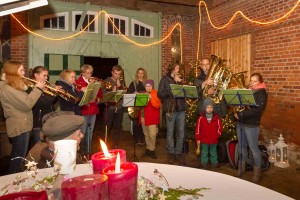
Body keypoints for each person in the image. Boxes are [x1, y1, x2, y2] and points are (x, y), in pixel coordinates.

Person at [0, 61, 45, 173]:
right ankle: (13, 184)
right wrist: (38, 89)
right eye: (21, 70)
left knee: (19, 157)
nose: (24, 72)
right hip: (19, 127)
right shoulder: (7, 88)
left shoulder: (13, 86)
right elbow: (26, 104)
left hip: (23, 125)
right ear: (13, 72)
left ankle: (16, 181)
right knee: (17, 159)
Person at [234, 73, 268, 183]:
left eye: (255, 81)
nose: (252, 83)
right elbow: (241, 106)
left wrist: (241, 115)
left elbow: (257, 110)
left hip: (252, 124)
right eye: (251, 81)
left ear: (260, 82)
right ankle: (241, 168)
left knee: (254, 149)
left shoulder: (262, 93)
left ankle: (257, 174)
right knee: (242, 147)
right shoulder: (246, 91)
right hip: (241, 122)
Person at [158, 62, 186, 164]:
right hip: (170, 109)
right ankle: (171, 153)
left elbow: (187, 92)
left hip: (181, 109)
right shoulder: (165, 79)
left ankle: (178, 153)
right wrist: (172, 86)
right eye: (176, 68)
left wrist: (181, 83)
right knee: (170, 133)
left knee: (181, 133)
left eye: (178, 68)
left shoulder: (181, 79)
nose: (177, 70)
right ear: (171, 69)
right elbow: (160, 93)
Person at [75, 64, 103, 157]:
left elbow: (99, 93)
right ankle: (81, 151)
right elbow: (78, 94)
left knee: (90, 131)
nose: (90, 75)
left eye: (91, 73)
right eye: (87, 73)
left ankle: (88, 151)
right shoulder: (78, 82)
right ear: (82, 73)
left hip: (93, 109)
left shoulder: (93, 81)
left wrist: (98, 97)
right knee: (82, 132)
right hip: (84, 110)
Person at [29, 66, 59, 146]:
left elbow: (52, 103)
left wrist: (55, 93)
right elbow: (42, 103)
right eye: (44, 75)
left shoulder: (45, 86)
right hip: (38, 123)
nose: (46, 78)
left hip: (48, 120)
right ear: (36, 75)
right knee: (38, 147)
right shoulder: (31, 87)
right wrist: (54, 93)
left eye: (47, 76)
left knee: (47, 146)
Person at [195, 98, 223, 169]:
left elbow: (220, 127)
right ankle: (204, 162)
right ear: (204, 108)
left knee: (213, 152)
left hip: (213, 139)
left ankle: (214, 162)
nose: (209, 109)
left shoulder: (217, 118)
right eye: (207, 107)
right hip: (204, 139)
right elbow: (198, 129)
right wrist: (198, 138)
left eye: (211, 107)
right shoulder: (201, 118)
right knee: (204, 152)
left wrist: (218, 135)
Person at [103, 65, 126, 148]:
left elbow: (124, 94)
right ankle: (104, 145)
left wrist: (120, 87)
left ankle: (115, 145)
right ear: (112, 72)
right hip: (109, 108)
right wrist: (112, 92)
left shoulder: (121, 82)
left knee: (117, 128)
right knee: (107, 128)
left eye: (119, 74)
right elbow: (103, 95)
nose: (117, 76)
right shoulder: (107, 81)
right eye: (115, 74)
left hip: (119, 108)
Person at [140, 79, 160, 159]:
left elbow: (157, 105)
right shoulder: (143, 93)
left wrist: (150, 98)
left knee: (152, 134)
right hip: (143, 117)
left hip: (152, 117)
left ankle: (152, 149)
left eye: (150, 86)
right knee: (146, 134)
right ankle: (148, 149)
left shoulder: (156, 93)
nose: (148, 88)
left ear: (152, 86)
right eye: (146, 86)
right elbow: (140, 107)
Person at [128, 67, 147, 145]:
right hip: (135, 106)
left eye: (142, 73)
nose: (140, 75)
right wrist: (134, 93)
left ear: (144, 74)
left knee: (143, 123)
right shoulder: (133, 83)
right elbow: (129, 94)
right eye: (139, 73)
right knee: (136, 123)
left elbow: (150, 92)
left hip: (144, 106)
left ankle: (142, 139)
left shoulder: (147, 83)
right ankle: (136, 139)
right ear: (137, 74)